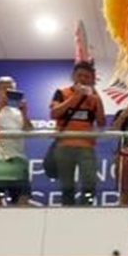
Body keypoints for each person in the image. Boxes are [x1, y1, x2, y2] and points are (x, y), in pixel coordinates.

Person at [49, 61, 107, 206]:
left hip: (86, 146)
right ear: (73, 76)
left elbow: (101, 123)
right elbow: (54, 113)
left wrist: (97, 98)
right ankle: (68, 213)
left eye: (87, 76)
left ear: (92, 79)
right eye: (79, 75)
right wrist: (75, 98)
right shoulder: (61, 92)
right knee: (67, 186)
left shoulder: (95, 97)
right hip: (64, 146)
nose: (82, 79)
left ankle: (84, 211)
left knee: (90, 182)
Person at [0, 76, 33, 206]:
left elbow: (29, 130)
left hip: (17, 158)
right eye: (4, 89)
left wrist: (24, 113)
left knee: (23, 198)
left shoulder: (18, 112)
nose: (8, 92)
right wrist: (0, 106)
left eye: (11, 89)